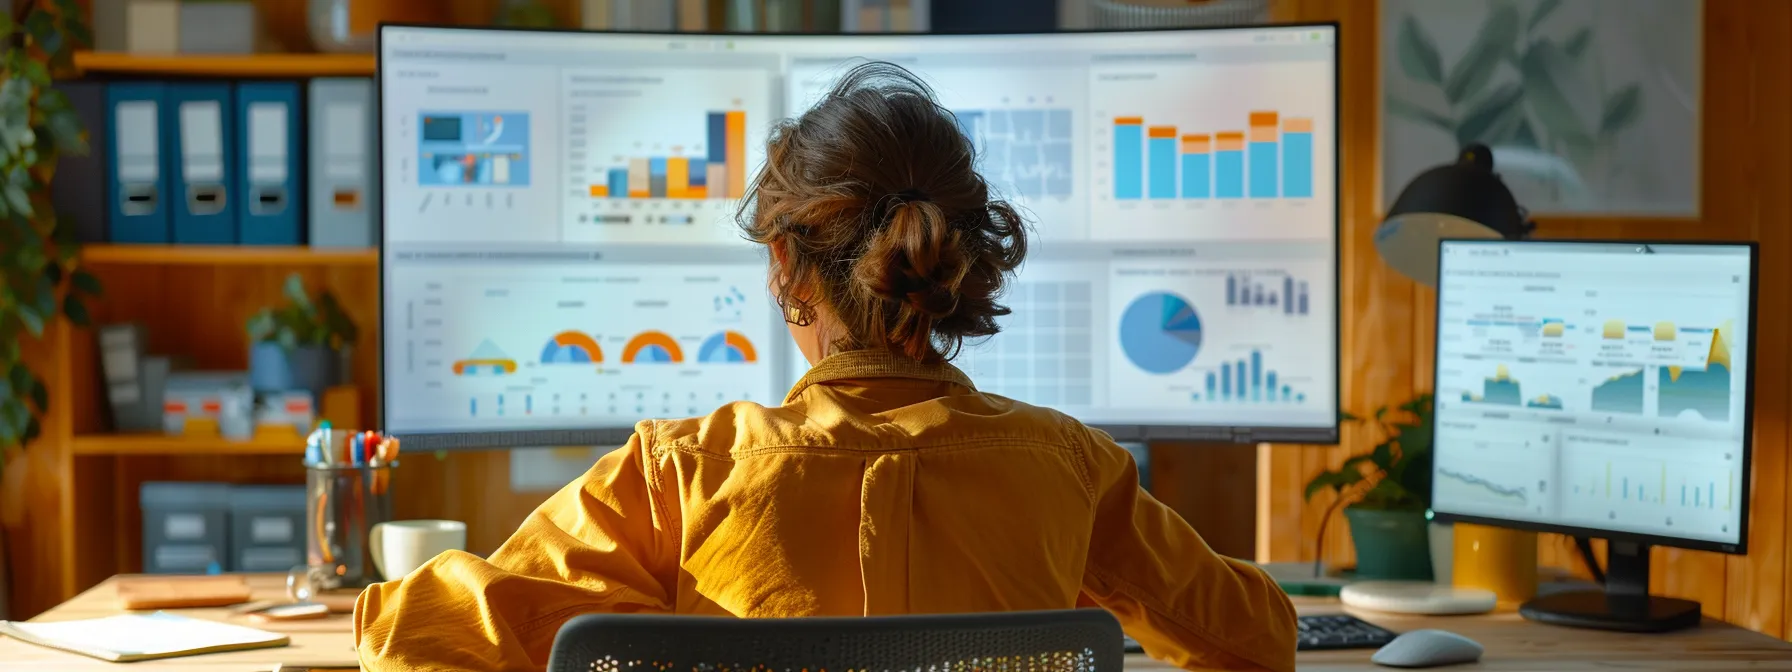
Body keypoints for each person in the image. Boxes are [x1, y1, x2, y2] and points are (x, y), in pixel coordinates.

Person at [355, 61, 1297, 672]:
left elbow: (419, 640)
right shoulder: (1072, 469)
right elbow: (1258, 641)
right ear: (959, 260)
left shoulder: (680, 474)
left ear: (784, 266)